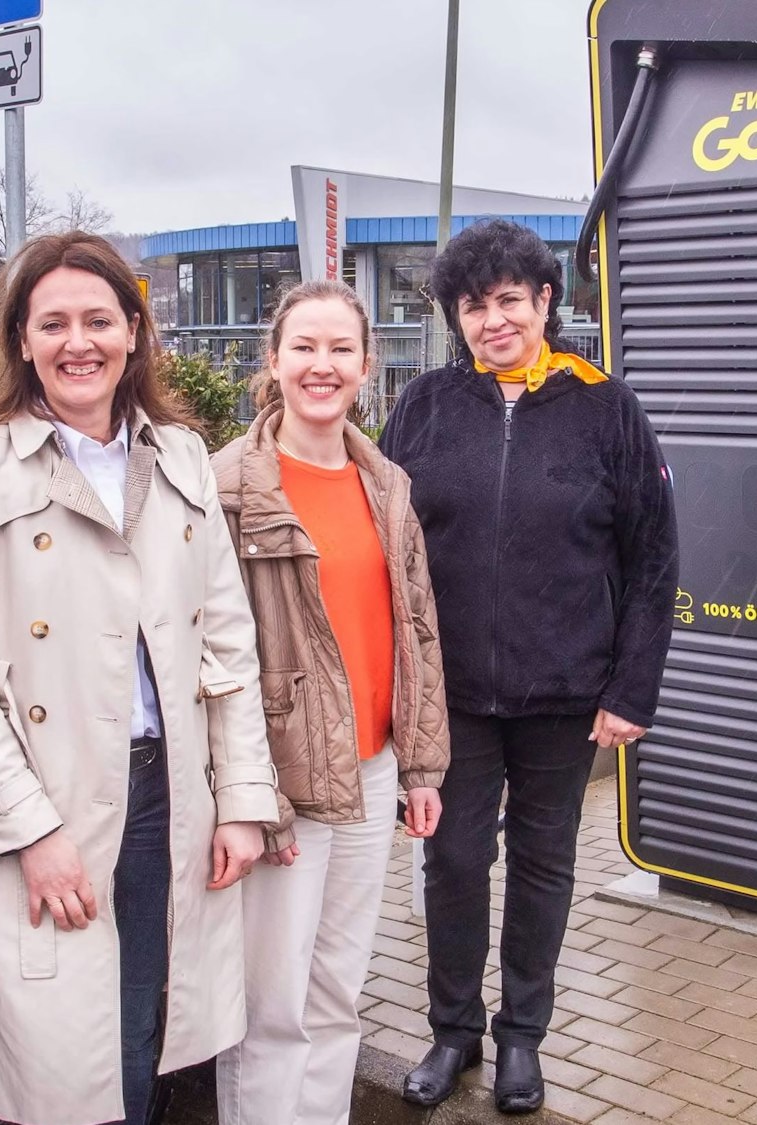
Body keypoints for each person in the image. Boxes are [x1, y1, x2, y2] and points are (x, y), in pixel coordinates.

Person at [0, 231, 280, 1125]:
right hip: (45, 796)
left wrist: (241, 798)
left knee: (139, 1035)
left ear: (135, 332)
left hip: (166, 797)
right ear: (22, 339)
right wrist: (29, 829)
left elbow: (228, 644)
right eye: (53, 323)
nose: (79, 342)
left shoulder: (181, 455)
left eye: (99, 320)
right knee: (48, 1064)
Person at [380, 219, 679, 1114]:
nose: (494, 320)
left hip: (566, 694)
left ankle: (522, 1038)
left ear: (546, 301)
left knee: (545, 864)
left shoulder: (606, 407)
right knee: (453, 861)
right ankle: (453, 1030)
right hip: (453, 695)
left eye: (510, 299)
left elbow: (653, 557)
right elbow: (383, 546)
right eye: (474, 306)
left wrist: (631, 687)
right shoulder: (424, 405)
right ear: (455, 317)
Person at [210, 279, 451, 1124]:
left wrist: (420, 765)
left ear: (366, 364)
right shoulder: (227, 487)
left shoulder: (386, 483)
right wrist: (252, 799)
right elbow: (208, 660)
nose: (323, 364)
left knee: (338, 993)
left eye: (341, 348)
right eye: (304, 347)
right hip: (282, 786)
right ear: (273, 360)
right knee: (272, 1009)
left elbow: (417, 627)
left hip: (373, 772)